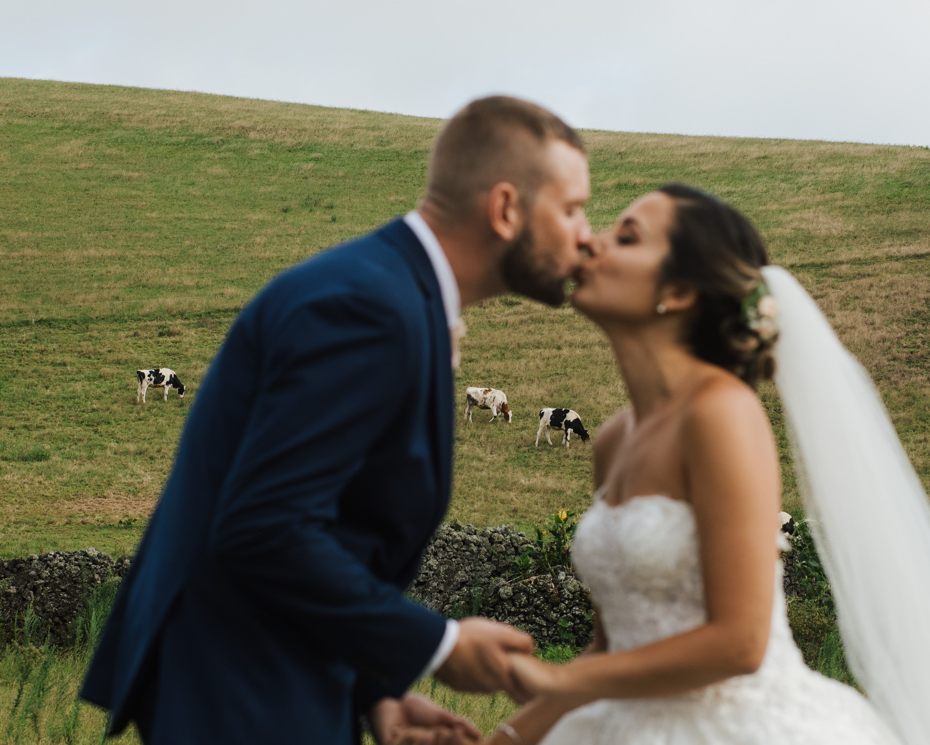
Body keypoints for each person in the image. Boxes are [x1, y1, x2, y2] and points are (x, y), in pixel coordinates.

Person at [80, 95, 594, 745]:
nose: (586, 235)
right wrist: (438, 645)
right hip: (245, 693)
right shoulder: (369, 308)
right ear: (505, 209)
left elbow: (336, 523)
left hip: (281, 676)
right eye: (573, 208)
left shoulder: (393, 292)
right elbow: (265, 527)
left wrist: (374, 690)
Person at [481, 186, 930, 745]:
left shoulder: (721, 414)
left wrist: (558, 676)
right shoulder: (613, 438)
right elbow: (611, 649)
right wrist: (503, 740)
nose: (591, 243)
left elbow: (740, 641)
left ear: (679, 291)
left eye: (626, 237)